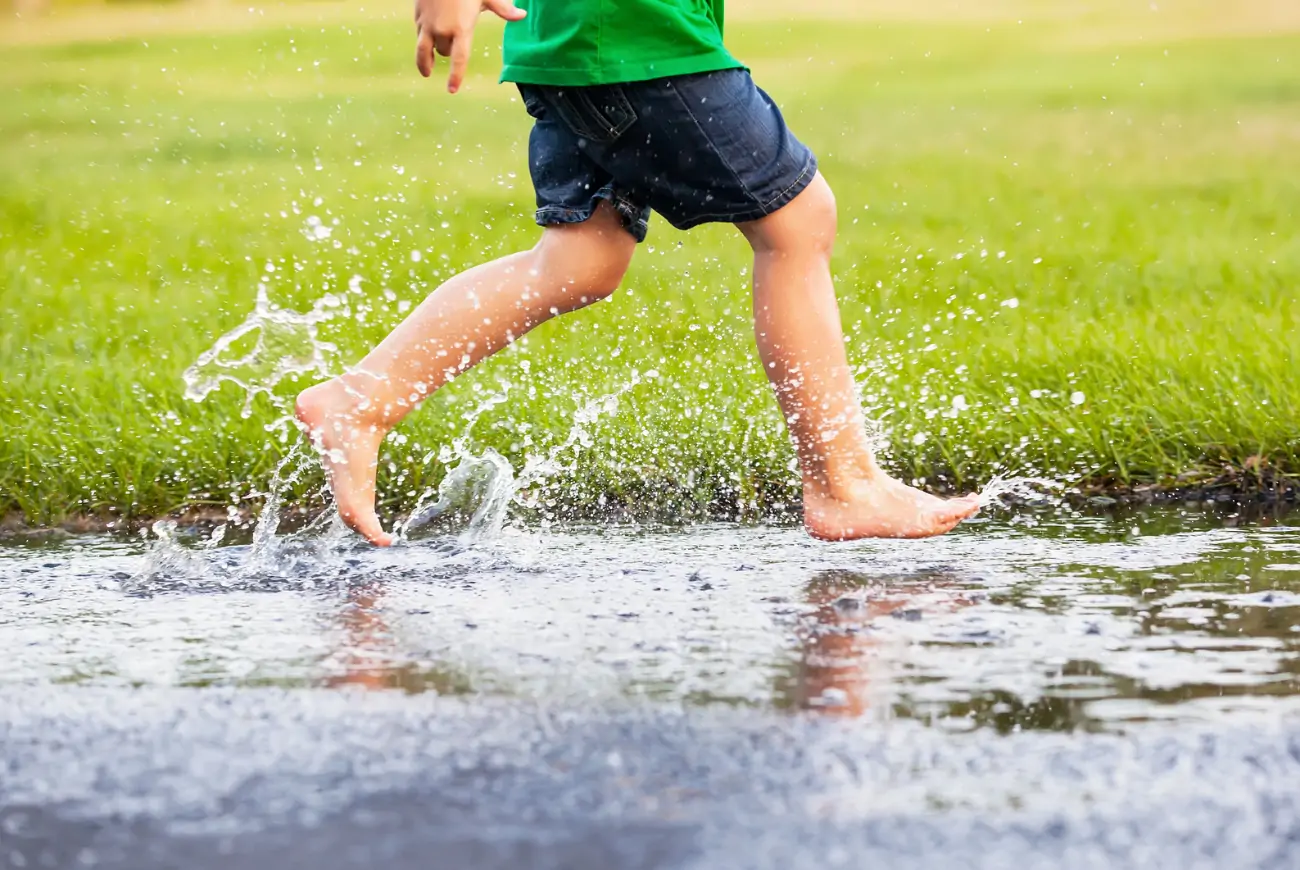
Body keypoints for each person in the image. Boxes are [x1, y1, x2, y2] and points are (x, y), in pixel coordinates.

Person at [295, 0, 981, 547]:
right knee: (798, 223)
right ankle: (843, 484)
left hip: (582, 48)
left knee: (580, 262)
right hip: (635, 36)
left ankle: (362, 400)